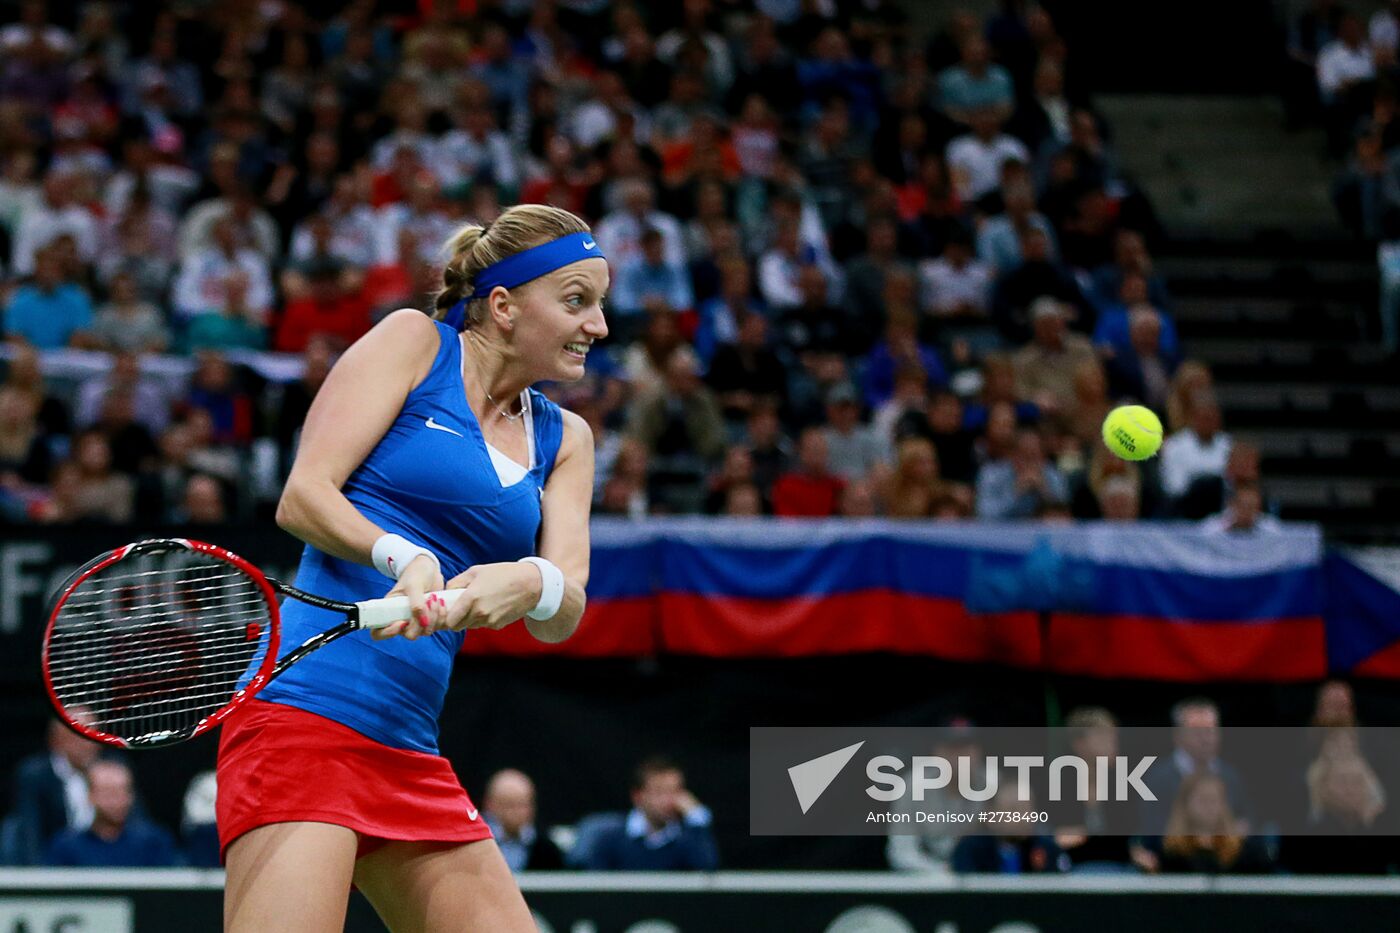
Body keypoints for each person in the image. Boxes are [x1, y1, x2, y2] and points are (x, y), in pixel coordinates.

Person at [217, 204, 606, 933]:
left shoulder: (567, 439)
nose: (600, 326)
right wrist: (404, 554)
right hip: (302, 715)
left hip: (407, 745)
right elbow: (304, 496)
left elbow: (565, 607)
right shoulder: (413, 343)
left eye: (601, 304)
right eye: (577, 301)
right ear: (504, 305)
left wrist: (529, 581)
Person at [572, 757, 719, 871]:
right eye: (660, 792)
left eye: (675, 791)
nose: (669, 800)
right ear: (638, 796)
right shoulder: (610, 838)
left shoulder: (687, 839)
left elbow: (707, 871)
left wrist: (697, 818)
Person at [44, 760, 179, 868]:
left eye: (123, 791)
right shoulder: (66, 847)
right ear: (90, 796)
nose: (116, 800)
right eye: (108, 792)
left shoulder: (154, 843)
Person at [481, 769, 565, 872]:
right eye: (509, 804)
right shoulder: (476, 846)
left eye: (523, 805)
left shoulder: (548, 851)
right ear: (490, 805)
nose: (517, 812)